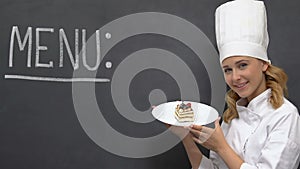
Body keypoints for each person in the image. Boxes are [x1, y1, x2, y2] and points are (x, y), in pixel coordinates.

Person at [170, 0, 300, 168]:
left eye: (242, 65)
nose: (235, 77)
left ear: (264, 64)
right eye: (227, 70)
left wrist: (221, 146)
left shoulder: (285, 116)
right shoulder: (231, 118)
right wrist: (184, 136)